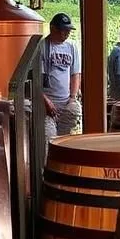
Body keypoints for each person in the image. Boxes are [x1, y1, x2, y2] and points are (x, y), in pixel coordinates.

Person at [42, 12, 82, 143]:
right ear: (52, 28)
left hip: (66, 102)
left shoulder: (71, 47)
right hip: (47, 104)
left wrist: (72, 97)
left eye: (68, 30)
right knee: (49, 138)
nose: (66, 33)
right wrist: (45, 100)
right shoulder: (42, 47)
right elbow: (35, 79)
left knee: (64, 141)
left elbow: (75, 73)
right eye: (63, 30)